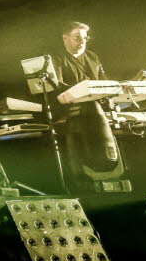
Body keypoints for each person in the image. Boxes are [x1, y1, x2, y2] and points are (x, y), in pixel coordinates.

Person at [53, 21, 124, 186]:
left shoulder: (93, 57)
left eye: (85, 38)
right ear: (65, 39)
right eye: (77, 38)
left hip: (95, 106)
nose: (82, 42)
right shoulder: (57, 59)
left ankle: (107, 166)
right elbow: (58, 86)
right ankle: (89, 171)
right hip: (72, 108)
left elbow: (104, 82)